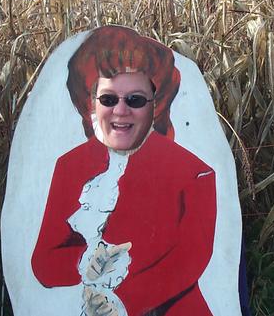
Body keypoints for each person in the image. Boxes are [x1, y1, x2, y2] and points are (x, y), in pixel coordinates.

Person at [31, 26, 218, 315]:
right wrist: (85, 261)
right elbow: (43, 263)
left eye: (135, 100)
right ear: (90, 102)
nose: (120, 111)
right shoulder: (69, 166)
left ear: (156, 104)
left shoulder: (195, 174)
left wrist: (123, 303)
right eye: (108, 100)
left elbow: (188, 262)